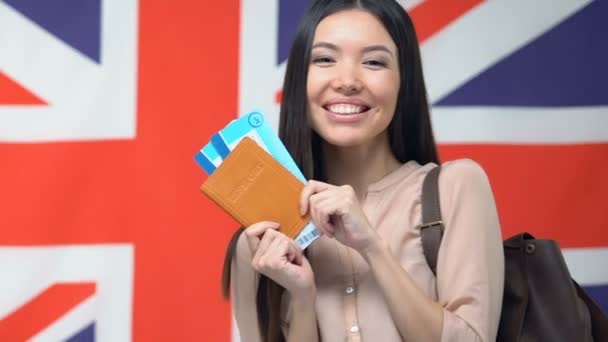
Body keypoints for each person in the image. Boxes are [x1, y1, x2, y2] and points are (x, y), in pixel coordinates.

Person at [221, 0, 505, 341]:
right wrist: (301, 296)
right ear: (299, 79)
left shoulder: (456, 187)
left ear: (404, 81)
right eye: (325, 59)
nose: (348, 81)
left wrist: (372, 247)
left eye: (374, 62)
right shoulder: (259, 243)